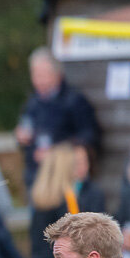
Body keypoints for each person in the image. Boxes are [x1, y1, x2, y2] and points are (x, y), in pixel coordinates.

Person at [16, 48, 98, 186]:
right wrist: (20, 138)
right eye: (35, 75)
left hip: (65, 177)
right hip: (37, 178)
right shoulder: (32, 103)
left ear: (57, 75)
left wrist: (56, 152)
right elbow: (25, 138)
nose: (38, 81)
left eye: (43, 75)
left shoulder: (75, 101)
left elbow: (89, 136)